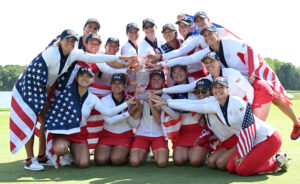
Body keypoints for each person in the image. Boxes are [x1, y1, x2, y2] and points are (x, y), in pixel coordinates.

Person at [10, 29, 135, 171]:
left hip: (47, 88)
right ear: (60, 40)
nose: (70, 43)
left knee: (44, 121)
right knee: (30, 121)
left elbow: (97, 59)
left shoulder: (74, 53)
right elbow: (35, 69)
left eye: (73, 41)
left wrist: (123, 60)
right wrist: (44, 85)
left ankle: (43, 156)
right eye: (67, 40)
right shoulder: (51, 52)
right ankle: (29, 159)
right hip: (30, 86)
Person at [152, 25, 300, 140]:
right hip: (233, 83)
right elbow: (186, 59)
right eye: (205, 35)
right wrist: (161, 62)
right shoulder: (207, 53)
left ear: (217, 34)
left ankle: (295, 123)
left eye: (211, 34)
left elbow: (249, 50)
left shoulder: (229, 42)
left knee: (273, 93)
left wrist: (254, 72)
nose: (208, 37)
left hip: (250, 76)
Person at [153, 76, 289, 176]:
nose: (218, 90)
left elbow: (248, 128)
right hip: (250, 141)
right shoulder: (214, 104)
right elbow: (190, 104)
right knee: (231, 168)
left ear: (227, 89)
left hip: (267, 138)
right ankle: (259, 159)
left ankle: (276, 162)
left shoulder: (237, 103)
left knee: (242, 170)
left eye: (221, 87)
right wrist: (167, 102)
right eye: (215, 87)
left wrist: (243, 153)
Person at [46, 67, 137, 168]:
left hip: (79, 133)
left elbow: (108, 112)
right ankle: (66, 154)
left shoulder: (92, 98)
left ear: (92, 79)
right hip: (65, 131)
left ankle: (73, 152)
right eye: (82, 76)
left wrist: (127, 104)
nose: (85, 78)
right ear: (77, 78)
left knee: (84, 164)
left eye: (88, 76)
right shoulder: (66, 92)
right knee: (60, 148)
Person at [152, 52, 254, 105]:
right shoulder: (208, 80)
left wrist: (248, 107)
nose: (209, 65)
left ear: (219, 62)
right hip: (230, 110)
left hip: (245, 105)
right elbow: (185, 87)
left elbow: (249, 89)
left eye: (211, 61)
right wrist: (162, 90)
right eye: (206, 62)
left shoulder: (231, 73)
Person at [130, 70, 175, 168]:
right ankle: (145, 151)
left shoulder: (166, 98)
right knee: (134, 162)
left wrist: (150, 102)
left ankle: (153, 151)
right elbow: (136, 115)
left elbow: (158, 120)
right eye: (153, 79)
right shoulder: (144, 93)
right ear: (150, 81)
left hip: (159, 134)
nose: (156, 81)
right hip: (142, 133)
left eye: (159, 79)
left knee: (162, 163)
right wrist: (137, 98)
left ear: (163, 82)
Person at [167, 65, 210, 166]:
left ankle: (204, 150)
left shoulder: (196, 84)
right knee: (179, 160)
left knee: (195, 161)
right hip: (183, 130)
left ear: (186, 72)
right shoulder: (171, 91)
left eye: (180, 70)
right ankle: (192, 150)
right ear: (172, 76)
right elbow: (175, 115)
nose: (178, 74)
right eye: (174, 72)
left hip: (199, 128)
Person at [94, 73, 140, 166]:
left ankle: (126, 153)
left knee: (116, 159)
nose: (116, 86)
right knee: (101, 160)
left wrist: (132, 110)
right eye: (114, 83)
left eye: (120, 83)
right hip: (107, 134)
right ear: (110, 85)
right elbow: (109, 121)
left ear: (124, 86)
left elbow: (134, 125)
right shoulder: (104, 100)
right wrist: (128, 112)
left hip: (124, 134)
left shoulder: (131, 100)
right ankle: (115, 151)